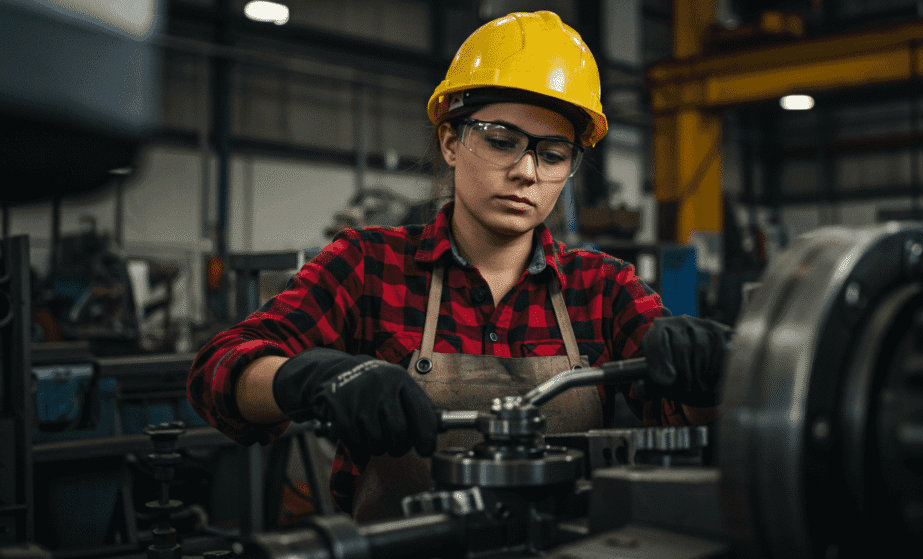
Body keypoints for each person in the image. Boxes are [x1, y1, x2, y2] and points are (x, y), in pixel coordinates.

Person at [187, 10, 731, 522]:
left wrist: (705, 378)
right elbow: (217, 373)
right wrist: (305, 379)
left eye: (552, 154)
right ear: (450, 140)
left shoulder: (603, 287)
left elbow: (688, 424)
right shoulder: (370, 265)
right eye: (501, 141)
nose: (525, 171)